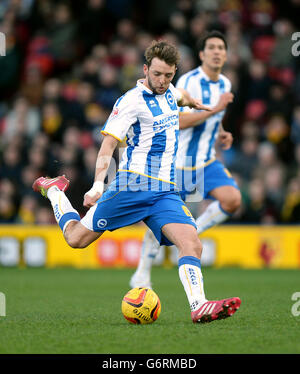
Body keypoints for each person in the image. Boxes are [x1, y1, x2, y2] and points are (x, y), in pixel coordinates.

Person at [33, 40, 241, 323]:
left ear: (174, 72)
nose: (162, 81)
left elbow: (180, 97)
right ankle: (56, 191)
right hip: (132, 186)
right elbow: (107, 146)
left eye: (168, 75)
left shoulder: (171, 92)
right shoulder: (130, 101)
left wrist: (195, 105)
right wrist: (97, 185)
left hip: (165, 190)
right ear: (145, 69)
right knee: (76, 239)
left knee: (192, 243)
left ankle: (199, 305)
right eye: (156, 74)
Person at [130, 31, 241, 289]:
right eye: (211, 47)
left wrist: (221, 131)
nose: (216, 52)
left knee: (233, 199)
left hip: (206, 161)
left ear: (225, 54)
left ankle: (192, 232)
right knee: (160, 220)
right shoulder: (188, 82)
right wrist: (216, 109)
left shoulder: (224, 84)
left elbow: (213, 117)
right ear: (201, 54)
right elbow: (178, 121)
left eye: (221, 48)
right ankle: (142, 272)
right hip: (179, 164)